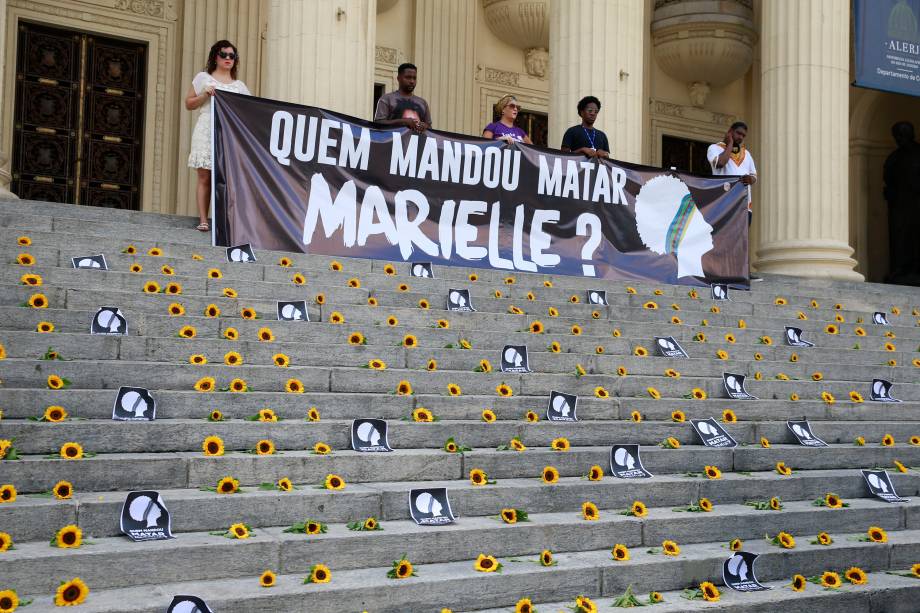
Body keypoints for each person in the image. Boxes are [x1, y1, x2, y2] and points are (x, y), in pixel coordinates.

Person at [185, 40, 251, 232]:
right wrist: (205, 94)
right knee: (204, 175)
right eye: (224, 55)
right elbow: (189, 104)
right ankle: (204, 219)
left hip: (228, 132)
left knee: (227, 176)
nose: (228, 58)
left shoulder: (240, 86)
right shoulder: (203, 78)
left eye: (232, 55)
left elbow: (249, 111)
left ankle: (226, 221)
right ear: (216, 56)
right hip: (206, 127)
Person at [708, 121, 759, 280]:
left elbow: (754, 177)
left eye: (743, 136)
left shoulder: (747, 154)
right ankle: (718, 270)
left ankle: (743, 272)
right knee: (722, 236)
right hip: (724, 202)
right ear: (730, 131)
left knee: (741, 238)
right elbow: (720, 163)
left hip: (744, 203)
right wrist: (729, 143)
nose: (740, 138)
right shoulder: (714, 148)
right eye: (738, 134)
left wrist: (749, 179)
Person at [883, 121, 920, 284]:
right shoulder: (894, 157)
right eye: (897, 135)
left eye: (903, 134)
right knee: (899, 236)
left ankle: (916, 269)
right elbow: (888, 180)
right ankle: (901, 268)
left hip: (917, 203)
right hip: (899, 205)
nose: (899, 138)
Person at [374, 63, 432, 133]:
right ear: (398, 78)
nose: (412, 81)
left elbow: (430, 127)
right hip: (393, 142)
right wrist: (403, 122)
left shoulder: (423, 102)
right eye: (408, 77)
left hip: (418, 143)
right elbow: (378, 123)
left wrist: (425, 126)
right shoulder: (386, 99)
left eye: (414, 78)